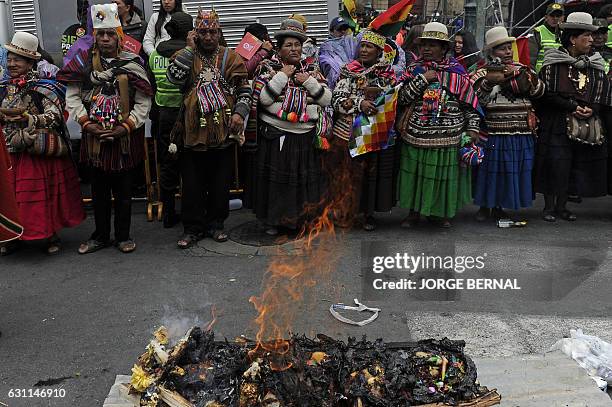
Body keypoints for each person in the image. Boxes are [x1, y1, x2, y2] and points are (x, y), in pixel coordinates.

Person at [58, 4, 153, 253]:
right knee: (99, 191)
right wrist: (86, 123)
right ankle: (100, 236)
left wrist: (127, 125)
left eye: (111, 33)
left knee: (123, 191)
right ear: (95, 36)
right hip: (94, 138)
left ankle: (122, 236)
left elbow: (144, 101)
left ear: (119, 35)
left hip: (125, 137)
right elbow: (73, 97)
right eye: (101, 34)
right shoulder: (82, 62)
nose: (106, 39)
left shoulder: (133, 62)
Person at [166, 7, 251, 248]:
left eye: (212, 32)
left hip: (222, 129)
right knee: (191, 183)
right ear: (195, 33)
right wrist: (189, 48)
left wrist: (239, 112)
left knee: (220, 181)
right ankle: (192, 228)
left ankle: (216, 224)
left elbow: (245, 88)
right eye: (203, 32)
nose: (208, 37)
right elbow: (173, 79)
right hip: (192, 131)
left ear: (219, 32)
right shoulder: (186, 54)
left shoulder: (230, 57)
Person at [0, 32, 84, 256]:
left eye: (17, 59)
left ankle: (48, 235)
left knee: (38, 199)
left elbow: (55, 116)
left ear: (30, 63)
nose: (12, 63)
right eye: (9, 58)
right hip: (9, 153)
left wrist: (29, 119)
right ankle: (12, 236)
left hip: (34, 152)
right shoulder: (2, 87)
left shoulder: (45, 87)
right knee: (10, 199)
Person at [396, 22, 481, 229]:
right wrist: (423, 79)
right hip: (416, 134)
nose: (426, 49)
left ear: (444, 48)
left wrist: (473, 128)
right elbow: (401, 98)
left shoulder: (457, 72)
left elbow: (469, 104)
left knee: (443, 177)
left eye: (433, 45)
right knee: (415, 176)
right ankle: (413, 213)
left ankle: (440, 213)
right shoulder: (413, 70)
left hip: (448, 136)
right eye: (424, 44)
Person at [253, 18, 332, 236]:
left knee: (301, 183)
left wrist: (308, 81)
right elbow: (265, 100)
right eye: (289, 45)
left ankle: (301, 221)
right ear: (279, 48)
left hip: (304, 135)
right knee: (278, 184)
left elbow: (326, 100)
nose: (295, 49)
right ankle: (274, 221)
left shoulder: (312, 70)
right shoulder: (268, 68)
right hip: (277, 135)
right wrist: (282, 76)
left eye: (298, 44)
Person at [534, 12, 612, 222]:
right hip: (557, 122)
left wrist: (592, 109)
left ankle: (563, 206)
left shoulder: (594, 63)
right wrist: (571, 106)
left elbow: (602, 90)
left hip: (584, 124)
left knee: (574, 164)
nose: (591, 40)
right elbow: (547, 93)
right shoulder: (553, 63)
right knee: (555, 162)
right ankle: (549, 207)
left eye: (591, 35)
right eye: (586, 35)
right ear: (572, 39)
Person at [472, 27, 545, 222]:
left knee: (511, 170)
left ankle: (499, 206)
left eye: (508, 47)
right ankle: (484, 205)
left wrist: (520, 75)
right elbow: (477, 100)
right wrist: (490, 81)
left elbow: (539, 91)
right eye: (501, 49)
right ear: (491, 53)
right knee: (490, 170)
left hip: (520, 130)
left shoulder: (522, 68)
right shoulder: (480, 73)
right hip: (494, 131)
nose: (507, 52)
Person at [329, 30, 397, 231]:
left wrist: (380, 101)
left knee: (368, 176)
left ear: (379, 51)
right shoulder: (348, 71)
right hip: (347, 134)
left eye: (370, 47)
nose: (365, 50)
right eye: (363, 46)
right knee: (347, 175)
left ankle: (366, 214)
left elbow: (392, 100)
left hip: (373, 134)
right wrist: (360, 104)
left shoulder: (387, 74)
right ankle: (344, 213)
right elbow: (336, 99)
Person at [148, 11, 193, 228]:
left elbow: (151, 86)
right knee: (191, 163)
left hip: (163, 114)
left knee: (168, 163)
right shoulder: (191, 54)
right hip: (186, 114)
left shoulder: (155, 55)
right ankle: (191, 211)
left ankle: (168, 213)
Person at [319, 19, 357, 89]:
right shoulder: (326, 47)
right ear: (331, 31)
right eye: (339, 29)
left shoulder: (351, 43)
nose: (343, 31)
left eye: (345, 29)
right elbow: (330, 66)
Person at [529, 2, 564, 73]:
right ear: (546, 17)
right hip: (541, 76)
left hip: (559, 76)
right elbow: (531, 59)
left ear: (563, 18)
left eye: (558, 16)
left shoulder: (565, 33)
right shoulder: (537, 32)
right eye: (552, 15)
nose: (555, 18)